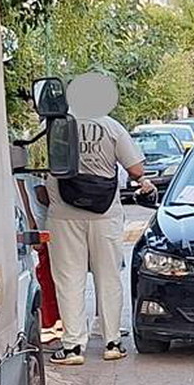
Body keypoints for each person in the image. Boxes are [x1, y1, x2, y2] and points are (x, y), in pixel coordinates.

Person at [42, 74, 153, 365]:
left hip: (64, 214)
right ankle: (112, 342)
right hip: (105, 212)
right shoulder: (112, 126)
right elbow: (136, 168)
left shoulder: (56, 125)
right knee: (108, 277)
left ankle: (73, 347)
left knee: (69, 278)